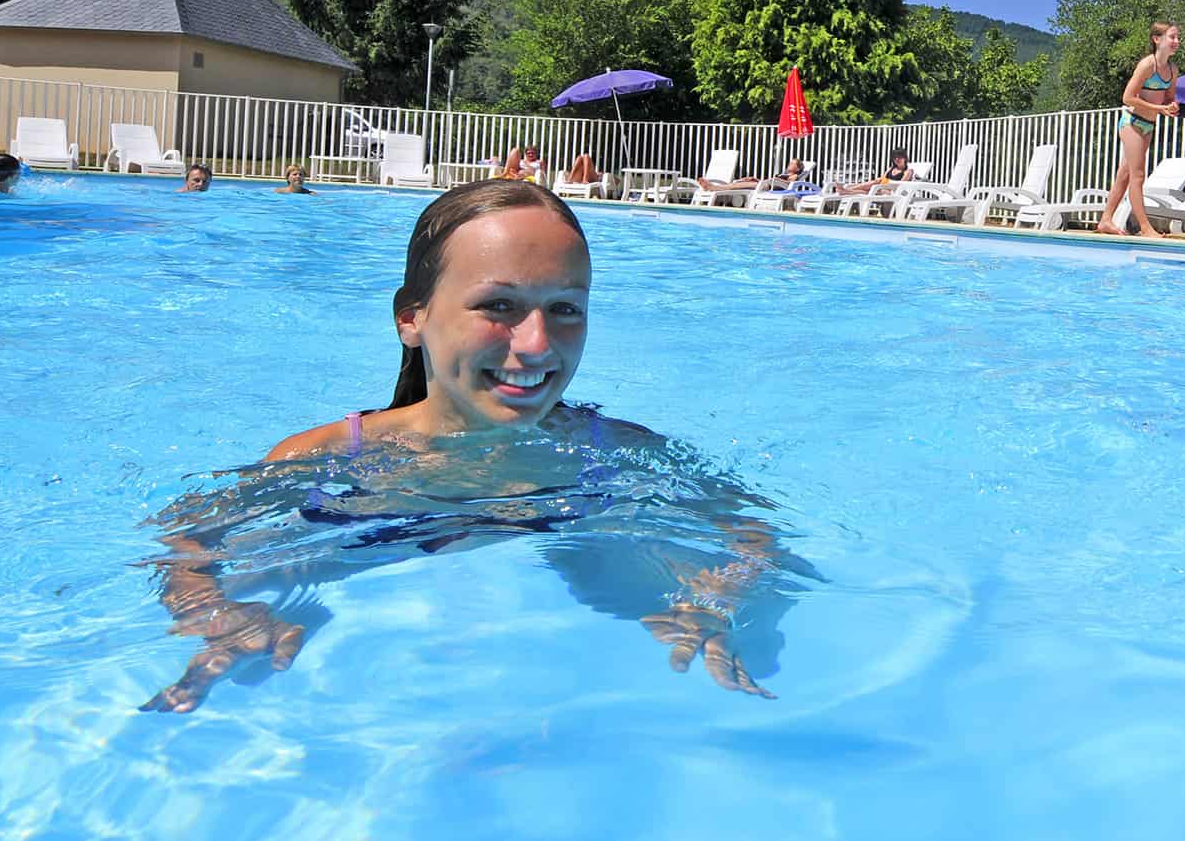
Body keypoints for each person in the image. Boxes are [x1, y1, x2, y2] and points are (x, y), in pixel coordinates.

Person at [140, 180, 791, 714]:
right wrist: (212, 608)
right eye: (499, 305)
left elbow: (755, 529)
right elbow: (185, 535)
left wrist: (716, 594)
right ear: (411, 317)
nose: (538, 343)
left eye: (566, 307)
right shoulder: (330, 459)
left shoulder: (618, 452)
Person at [1096, 23, 1182, 238]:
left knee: (1125, 174)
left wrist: (1172, 105)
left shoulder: (1172, 70)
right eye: (1172, 37)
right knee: (1138, 175)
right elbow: (1128, 98)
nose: (1176, 42)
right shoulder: (1147, 65)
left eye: (1177, 38)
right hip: (1132, 122)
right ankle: (1145, 228)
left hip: (1149, 125)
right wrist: (1159, 108)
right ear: (1156, 39)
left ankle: (1106, 220)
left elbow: (1170, 96)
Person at [836, 149, 913, 195]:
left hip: (893, 191)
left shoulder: (908, 171)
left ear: (905, 158)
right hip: (881, 188)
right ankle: (846, 191)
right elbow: (883, 178)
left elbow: (901, 184)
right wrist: (881, 181)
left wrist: (886, 181)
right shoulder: (891, 168)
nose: (897, 159)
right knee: (868, 190)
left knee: (875, 184)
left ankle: (848, 190)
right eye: (895, 157)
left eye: (899, 157)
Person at [697, 158, 804, 192]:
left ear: (798, 168)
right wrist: (757, 179)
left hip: (768, 187)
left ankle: (714, 187)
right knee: (743, 181)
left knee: (737, 186)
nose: (789, 164)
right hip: (765, 184)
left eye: (792, 164)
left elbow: (790, 184)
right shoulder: (783, 174)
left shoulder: (794, 176)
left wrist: (776, 180)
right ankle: (717, 187)